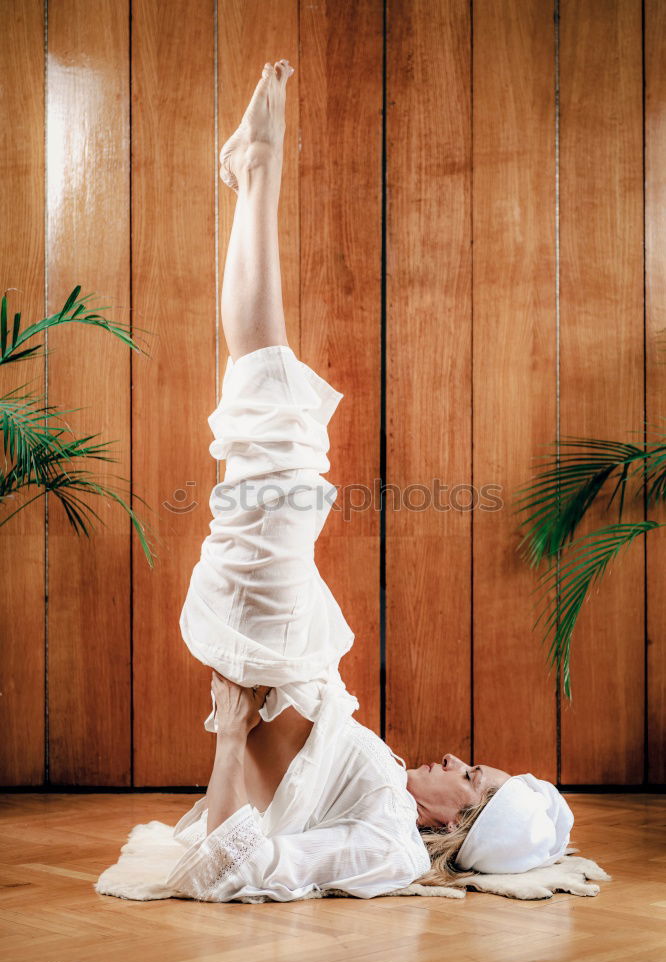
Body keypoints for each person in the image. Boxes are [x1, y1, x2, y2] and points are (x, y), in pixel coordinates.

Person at [98, 59, 574, 905]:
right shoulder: (392, 795)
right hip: (301, 649)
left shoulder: (391, 845)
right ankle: (255, 172)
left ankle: (258, 173)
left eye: (473, 779)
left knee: (275, 435)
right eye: (475, 762)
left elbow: (229, 866)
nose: (457, 758)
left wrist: (232, 730)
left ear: (457, 826)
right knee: (277, 431)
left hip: (264, 651)